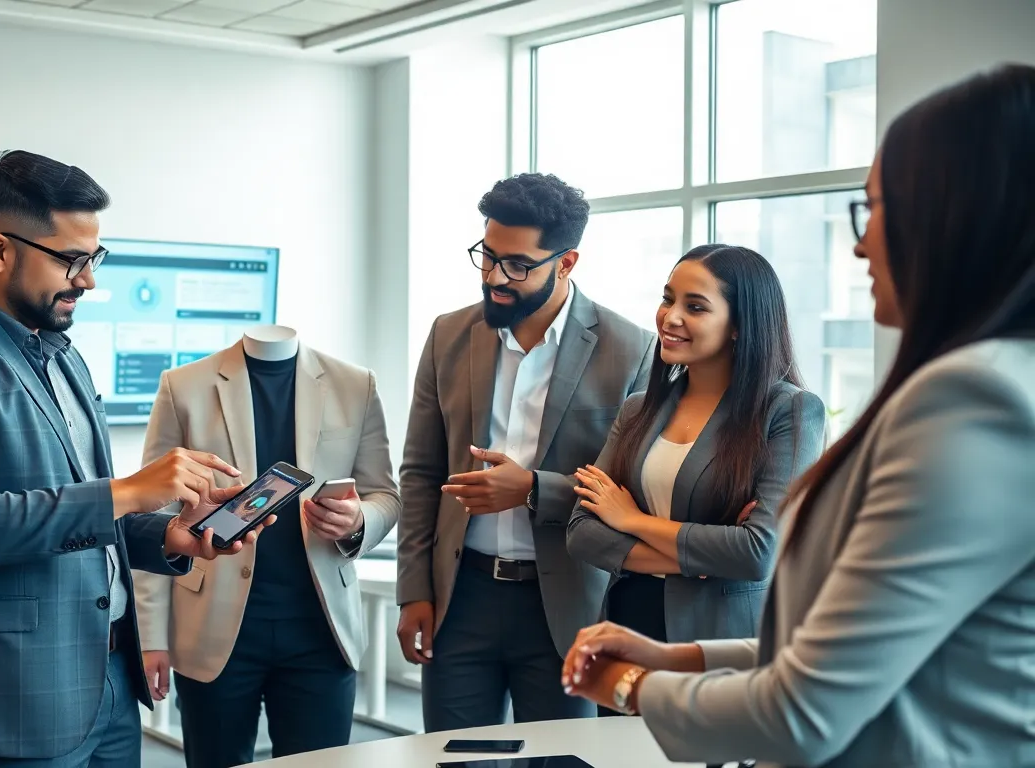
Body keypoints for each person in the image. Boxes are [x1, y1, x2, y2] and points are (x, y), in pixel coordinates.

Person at [561, 64, 1035, 768]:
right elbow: (853, 648)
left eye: (875, 209)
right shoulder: (988, 385)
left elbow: (797, 687)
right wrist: (682, 656)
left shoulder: (972, 400)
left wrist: (631, 685)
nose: (860, 243)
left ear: (953, 218)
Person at [0, 150, 267, 767]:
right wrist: (131, 490)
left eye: (94, 258)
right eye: (72, 260)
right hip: (12, 700)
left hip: (107, 684)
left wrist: (169, 536)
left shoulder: (61, 353)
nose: (88, 280)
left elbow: (79, 513)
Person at [397, 172, 654, 732]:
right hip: (458, 597)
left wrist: (534, 489)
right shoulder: (448, 334)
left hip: (566, 603)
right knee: (456, 758)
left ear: (566, 263)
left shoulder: (632, 348)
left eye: (517, 264)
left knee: (563, 759)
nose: (494, 276)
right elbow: (419, 472)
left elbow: (633, 491)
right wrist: (413, 589)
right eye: (488, 256)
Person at [565, 244, 825, 715]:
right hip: (630, 624)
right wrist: (697, 557)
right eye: (668, 299)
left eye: (696, 306)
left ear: (740, 324)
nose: (671, 317)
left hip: (721, 638)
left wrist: (631, 520)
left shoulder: (788, 411)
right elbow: (581, 532)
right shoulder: (639, 409)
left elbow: (757, 552)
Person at [134, 327, 400, 767]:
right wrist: (149, 638)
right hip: (211, 628)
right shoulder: (184, 386)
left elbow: (385, 495)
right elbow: (153, 514)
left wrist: (359, 521)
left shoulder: (356, 384)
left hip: (322, 630)